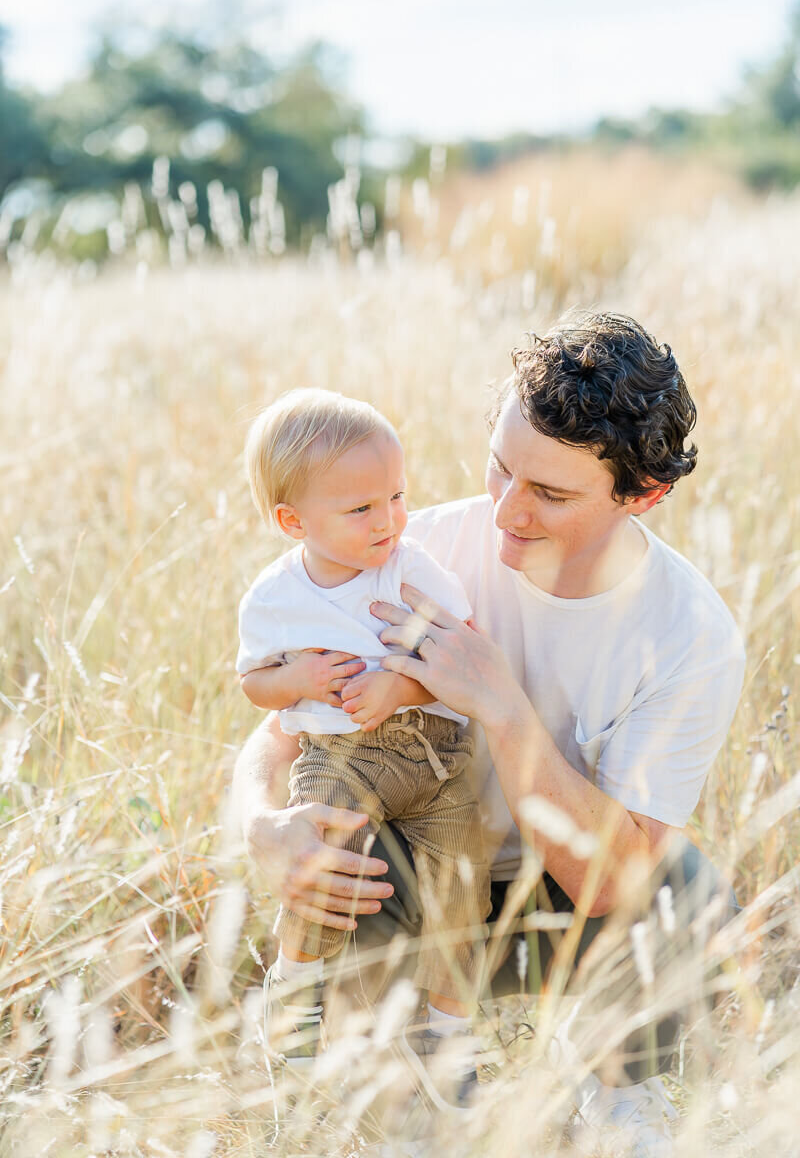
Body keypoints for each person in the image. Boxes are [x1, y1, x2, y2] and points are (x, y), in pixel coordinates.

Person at [233, 312, 745, 1152]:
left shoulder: (689, 637)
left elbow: (620, 887)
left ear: (643, 496)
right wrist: (264, 824)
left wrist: (501, 708)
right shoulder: (413, 549)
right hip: (422, 887)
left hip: (560, 903)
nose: (507, 512)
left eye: (550, 493)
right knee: (352, 858)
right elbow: (284, 732)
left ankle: (619, 1095)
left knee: (689, 897)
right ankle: (412, 1097)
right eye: (501, 470)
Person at [236, 388, 490, 1084]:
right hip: (338, 755)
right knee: (323, 860)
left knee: (459, 888)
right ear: (294, 521)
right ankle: (296, 991)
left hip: (433, 753)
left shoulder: (410, 567)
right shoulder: (275, 598)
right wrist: (300, 680)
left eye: (397, 497)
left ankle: (452, 1038)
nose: (390, 521)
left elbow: (462, 656)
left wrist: (401, 686)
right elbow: (255, 685)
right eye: (361, 509)